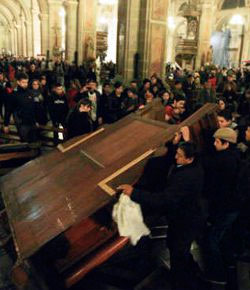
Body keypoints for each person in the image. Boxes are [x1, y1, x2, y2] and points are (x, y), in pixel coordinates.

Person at [118, 129, 205, 290]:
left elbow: (164, 199)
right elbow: (181, 157)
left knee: (178, 255)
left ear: (189, 159)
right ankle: (194, 274)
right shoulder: (193, 164)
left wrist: (134, 192)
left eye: (179, 155)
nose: (175, 157)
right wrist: (176, 143)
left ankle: (182, 284)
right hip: (184, 219)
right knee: (176, 247)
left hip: (185, 222)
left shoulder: (186, 178)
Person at [202, 127, 241, 285]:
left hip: (225, 208)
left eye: (217, 141)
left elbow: (208, 165)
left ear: (226, 144)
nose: (214, 144)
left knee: (212, 240)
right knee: (224, 236)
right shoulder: (236, 156)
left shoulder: (224, 161)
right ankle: (230, 265)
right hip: (233, 207)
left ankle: (217, 275)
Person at [3, 72, 38, 143]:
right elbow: (8, 110)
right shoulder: (13, 95)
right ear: (18, 82)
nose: (25, 84)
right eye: (23, 82)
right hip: (22, 124)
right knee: (25, 144)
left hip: (32, 122)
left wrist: (35, 121)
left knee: (34, 142)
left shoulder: (29, 92)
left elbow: (32, 108)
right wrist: (6, 124)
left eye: (27, 82)